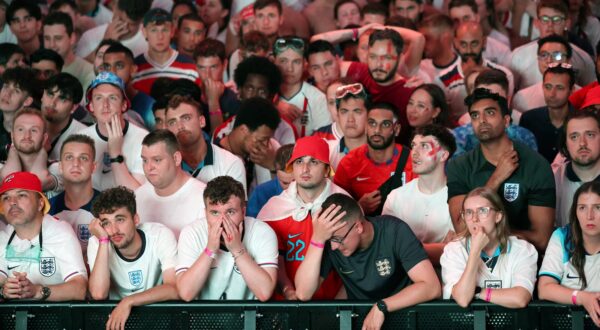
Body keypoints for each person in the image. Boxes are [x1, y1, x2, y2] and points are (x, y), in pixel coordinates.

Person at [294, 193, 441, 330]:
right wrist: (317, 239)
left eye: (338, 239)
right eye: (329, 240)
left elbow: (431, 287)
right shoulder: (329, 243)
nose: (334, 247)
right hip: (360, 321)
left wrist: (382, 306)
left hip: (405, 316)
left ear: (358, 227)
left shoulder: (394, 231)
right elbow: (303, 293)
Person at [447, 88, 556, 252]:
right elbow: (462, 228)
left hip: (522, 259)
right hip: (475, 258)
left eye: (489, 113)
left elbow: (541, 240)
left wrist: (486, 235)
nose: (481, 120)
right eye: (475, 115)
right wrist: (496, 179)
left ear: (506, 121)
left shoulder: (536, 165)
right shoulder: (459, 166)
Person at [257, 136, 348, 300]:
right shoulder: (273, 208)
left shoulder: (344, 205)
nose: (305, 169)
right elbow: (266, 264)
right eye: (299, 162)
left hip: (332, 306)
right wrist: (287, 291)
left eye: (314, 161)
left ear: (327, 169)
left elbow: (358, 265)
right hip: (283, 307)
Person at [88, 186, 179, 328]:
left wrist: (128, 301)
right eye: (106, 223)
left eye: (120, 220)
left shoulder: (159, 235)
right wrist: (103, 241)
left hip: (159, 321)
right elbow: (99, 293)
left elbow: (174, 288)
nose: (114, 230)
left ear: (135, 219)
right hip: (117, 323)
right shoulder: (98, 242)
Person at [176, 176, 278, 301]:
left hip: (249, 317)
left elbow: (264, 293)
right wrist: (210, 250)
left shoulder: (262, 232)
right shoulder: (192, 233)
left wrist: (238, 251)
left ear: (243, 211)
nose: (223, 220)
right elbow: (186, 294)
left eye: (230, 212)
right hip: (202, 318)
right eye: (214, 213)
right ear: (205, 213)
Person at [440, 187, 538, 308]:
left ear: (498, 216)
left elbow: (520, 299)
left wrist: (477, 291)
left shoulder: (523, 249)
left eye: (482, 210)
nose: (475, 219)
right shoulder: (453, 250)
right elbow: (463, 298)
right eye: (469, 212)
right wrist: (475, 251)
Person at [0, 171, 87, 301]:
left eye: (22, 195)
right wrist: (4, 290)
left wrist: (37, 291)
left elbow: (80, 289)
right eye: (6, 197)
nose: (12, 202)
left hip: (55, 318)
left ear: (40, 204)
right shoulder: (4, 236)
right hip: (14, 318)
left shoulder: (60, 232)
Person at [383, 124, 456, 265]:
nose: (414, 152)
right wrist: (442, 248)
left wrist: (405, 246)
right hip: (403, 275)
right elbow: (387, 247)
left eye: (424, 146)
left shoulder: (458, 198)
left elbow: (459, 253)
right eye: (413, 145)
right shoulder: (396, 197)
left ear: (443, 155)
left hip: (446, 274)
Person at [334, 102, 416, 215]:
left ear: (396, 129)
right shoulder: (349, 163)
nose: (377, 130)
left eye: (385, 124)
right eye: (372, 123)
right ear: (366, 128)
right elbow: (337, 209)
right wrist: (359, 207)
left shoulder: (413, 161)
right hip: (364, 229)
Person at [538, 181, 600, 327]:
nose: (589, 216)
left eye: (598, 208)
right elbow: (544, 288)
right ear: (575, 212)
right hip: (566, 323)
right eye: (582, 208)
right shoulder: (562, 237)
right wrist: (582, 297)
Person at [434, 21, 514, 125]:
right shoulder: (443, 79)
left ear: (484, 42)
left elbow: (506, 109)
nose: (469, 50)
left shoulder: (504, 74)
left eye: (474, 43)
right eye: (463, 44)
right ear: (455, 43)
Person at [78, 71, 148, 191]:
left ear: (124, 105)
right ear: (91, 107)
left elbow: (138, 196)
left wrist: (115, 155)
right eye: (99, 98)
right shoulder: (80, 139)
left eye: (112, 98)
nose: (105, 105)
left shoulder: (144, 139)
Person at [164, 94, 246, 190]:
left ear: (202, 121)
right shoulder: (163, 167)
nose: (180, 126)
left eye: (186, 118)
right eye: (172, 122)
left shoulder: (231, 163)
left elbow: (236, 205)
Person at [509, 0, 595, 90]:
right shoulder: (518, 56)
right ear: (537, 23)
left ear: (567, 23)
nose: (550, 25)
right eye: (545, 19)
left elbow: (590, 92)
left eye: (556, 19)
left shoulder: (583, 58)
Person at [135, 129, 207, 238]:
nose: (149, 167)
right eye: (145, 160)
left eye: (157, 160)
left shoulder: (203, 198)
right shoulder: (137, 197)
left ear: (176, 158)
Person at [213, 97, 281, 190]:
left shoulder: (269, 151)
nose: (266, 145)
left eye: (268, 139)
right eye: (261, 140)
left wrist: (273, 167)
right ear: (244, 130)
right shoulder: (215, 159)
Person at [49, 134, 100, 258]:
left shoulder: (109, 207)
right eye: (69, 157)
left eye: (83, 158)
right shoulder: (47, 209)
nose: (76, 163)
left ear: (93, 166)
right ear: (60, 167)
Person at [132, 8, 200, 96]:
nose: (160, 37)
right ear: (144, 32)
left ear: (172, 31)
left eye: (164, 30)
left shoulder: (191, 69)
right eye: (154, 30)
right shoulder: (135, 69)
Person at [273, 36, 331, 138]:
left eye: (296, 62)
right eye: (283, 61)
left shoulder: (318, 99)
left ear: (305, 64)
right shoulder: (265, 94)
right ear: (274, 62)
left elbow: (325, 140)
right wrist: (274, 105)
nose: (289, 68)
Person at [520, 63, 576, 163]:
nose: (552, 94)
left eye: (559, 88)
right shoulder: (529, 119)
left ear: (571, 91)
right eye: (548, 87)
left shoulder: (582, 121)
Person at [554, 109, 600, 227]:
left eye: (590, 135)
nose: (582, 143)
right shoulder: (553, 179)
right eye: (574, 137)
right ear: (566, 144)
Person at [512, 35, 578, 113]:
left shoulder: (582, 94)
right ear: (538, 59)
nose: (549, 60)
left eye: (557, 56)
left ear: (568, 60)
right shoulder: (522, 97)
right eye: (544, 55)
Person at [76, 0, 152, 61]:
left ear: (142, 20)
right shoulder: (89, 37)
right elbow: (78, 71)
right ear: (114, 7)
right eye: (120, 19)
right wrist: (105, 42)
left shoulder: (151, 41)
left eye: (131, 24)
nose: (123, 26)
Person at [103, 43, 156, 129]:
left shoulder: (149, 107)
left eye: (119, 66)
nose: (112, 72)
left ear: (133, 69)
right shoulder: (99, 102)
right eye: (107, 67)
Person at [42, 12, 95, 94]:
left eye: (58, 38)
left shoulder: (87, 72)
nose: (52, 45)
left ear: (72, 38)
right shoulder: (37, 69)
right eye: (47, 38)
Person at [194, 39, 240, 132]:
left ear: (225, 64)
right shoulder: (190, 96)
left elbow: (218, 141)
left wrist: (213, 101)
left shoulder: (234, 102)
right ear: (195, 67)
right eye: (202, 67)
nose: (207, 75)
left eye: (213, 67)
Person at [41, 73, 87, 162]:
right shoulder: (25, 123)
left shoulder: (84, 136)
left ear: (74, 107)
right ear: (42, 95)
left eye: (62, 99)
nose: (52, 103)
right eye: (50, 94)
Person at [0, 67, 40, 162]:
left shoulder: (32, 133)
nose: (7, 94)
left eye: (16, 91)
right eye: (6, 86)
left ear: (27, 101)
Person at [327, 82, 368, 171]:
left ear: (369, 115)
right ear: (338, 114)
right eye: (344, 112)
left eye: (357, 111)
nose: (350, 119)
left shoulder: (384, 153)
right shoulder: (326, 151)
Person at [247, 144, 294, 217]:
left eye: (295, 182)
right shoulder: (261, 193)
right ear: (276, 173)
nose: (291, 188)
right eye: (285, 183)